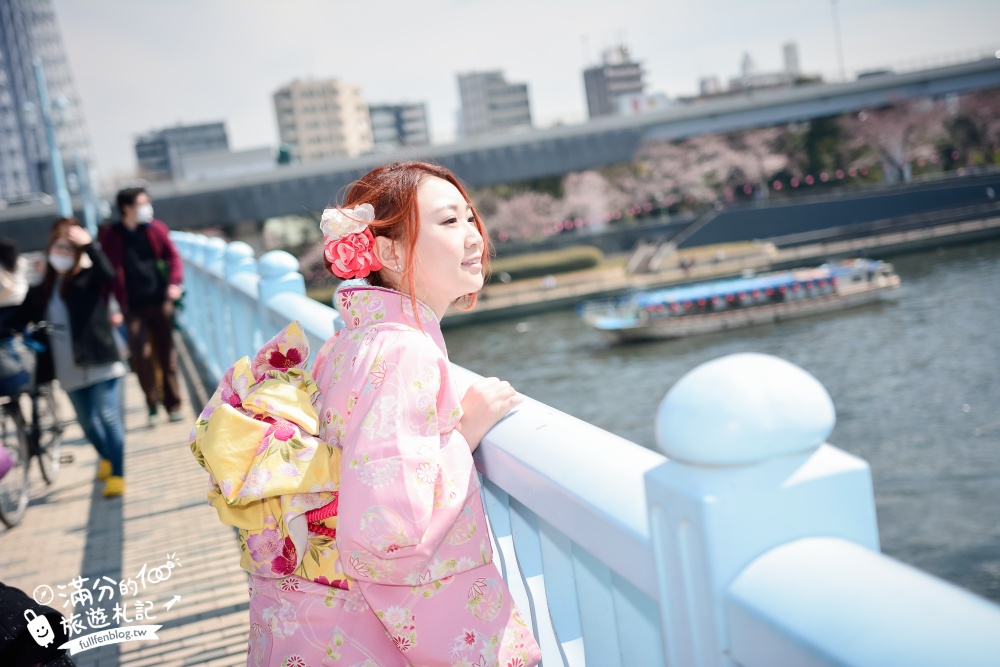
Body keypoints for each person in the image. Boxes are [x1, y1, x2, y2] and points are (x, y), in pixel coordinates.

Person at [191, 162, 542, 666]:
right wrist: (464, 435)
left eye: (470, 218)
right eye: (448, 222)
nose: (473, 236)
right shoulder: (406, 352)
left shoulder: (345, 342)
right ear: (388, 251)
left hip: (311, 619)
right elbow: (388, 526)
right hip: (354, 633)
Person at [17, 219, 127, 497]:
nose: (62, 255)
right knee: (87, 424)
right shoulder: (42, 289)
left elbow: (108, 273)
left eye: (69, 250)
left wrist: (89, 244)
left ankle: (117, 473)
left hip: (100, 359)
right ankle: (106, 455)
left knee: (108, 416)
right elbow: (18, 317)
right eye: (58, 249)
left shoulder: (88, 279)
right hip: (67, 369)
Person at [98, 187, 184, 426]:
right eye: (142, 203)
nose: (147, 207)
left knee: (167, 355)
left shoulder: (155, 229)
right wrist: (109, 308)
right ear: (127, 208)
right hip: (131, 307)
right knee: (141, 355)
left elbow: (174, 257)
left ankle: (173, 404)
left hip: (159, 301)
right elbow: (106, 274)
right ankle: (152, 403)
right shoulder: (111, 236)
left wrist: (174, 283)